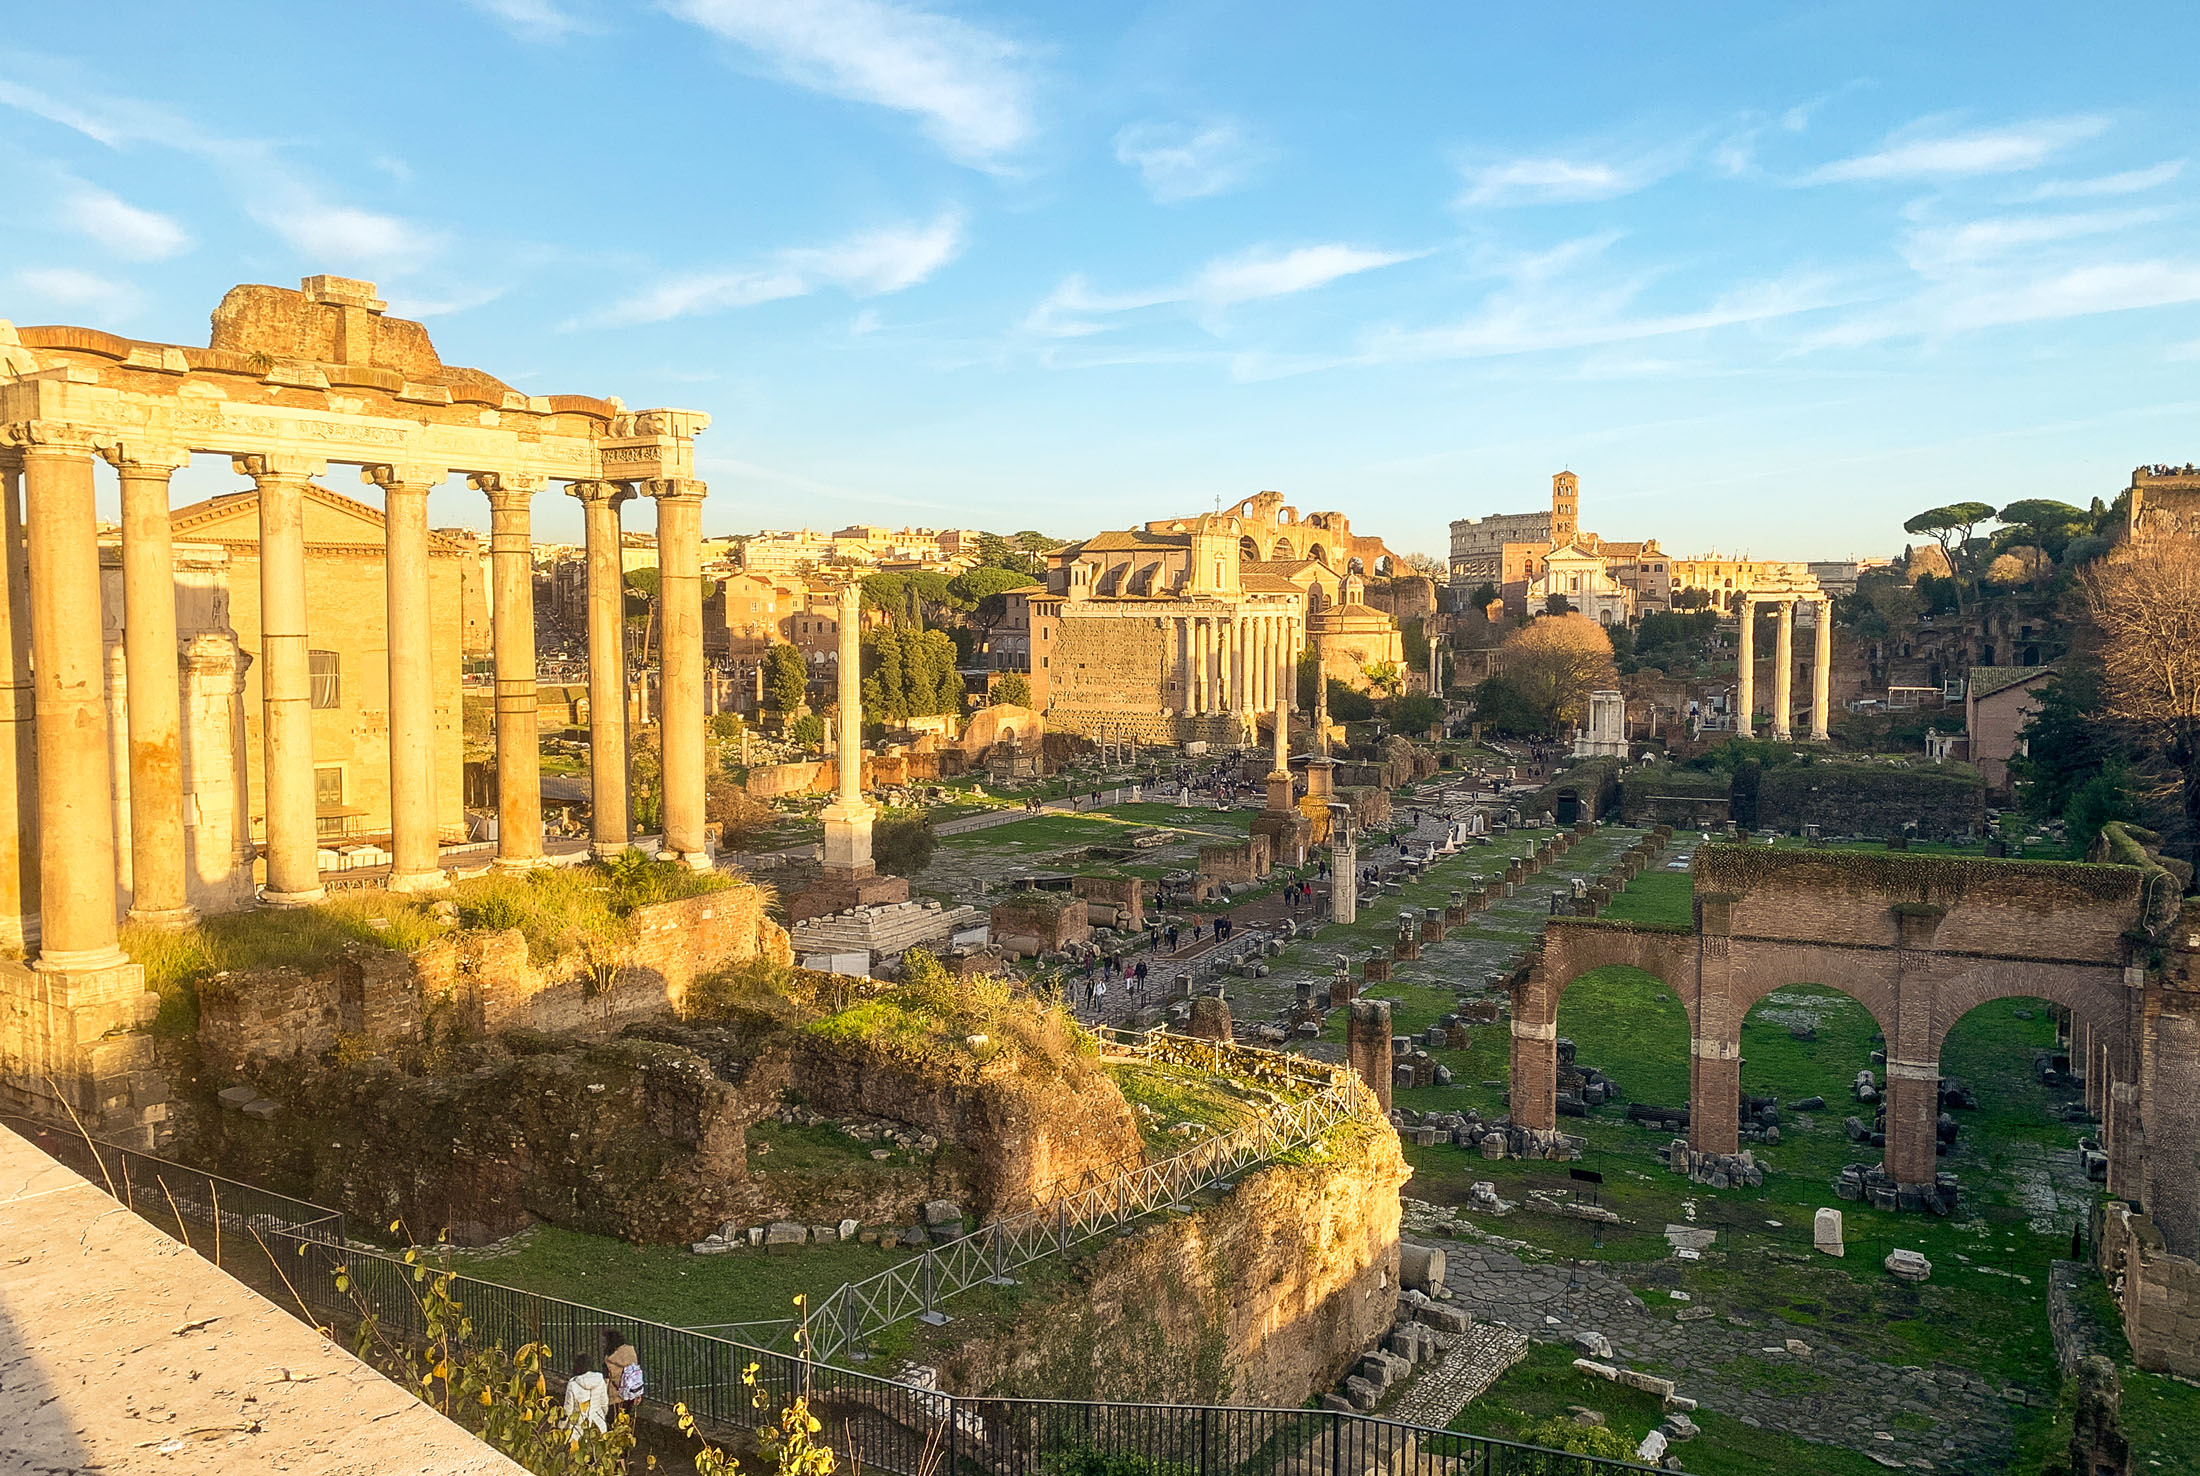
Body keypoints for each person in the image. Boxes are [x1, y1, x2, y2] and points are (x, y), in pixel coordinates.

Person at [564, 1353, 609, 1437]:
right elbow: (604, 1405)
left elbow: (568, 1411)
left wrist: (561, 1427)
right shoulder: (600, 1380)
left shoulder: (572, 1384)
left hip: (578, 1430)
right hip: (599, 1427)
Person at [602, 1329, 643, 1420]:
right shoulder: (631, 1354)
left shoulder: (609, 1361)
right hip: (631, 1395)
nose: (602, 1344)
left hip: (615, 1398)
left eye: (604, 1342)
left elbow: (606, 1381)